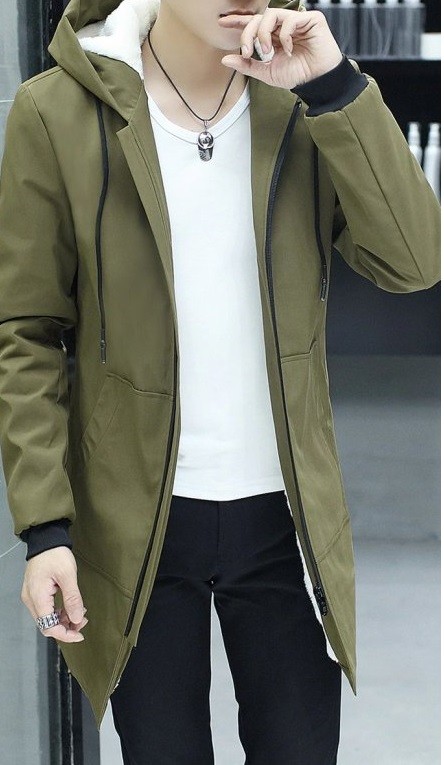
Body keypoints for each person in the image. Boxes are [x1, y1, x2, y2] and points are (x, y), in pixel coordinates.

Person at [0, 0, 440, 762]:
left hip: (287, 524)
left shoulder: (301, 102)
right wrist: (46, 529)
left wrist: (335, 87)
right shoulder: (58, 111)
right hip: (136, 525)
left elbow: (415, 258)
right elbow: (26, 333)